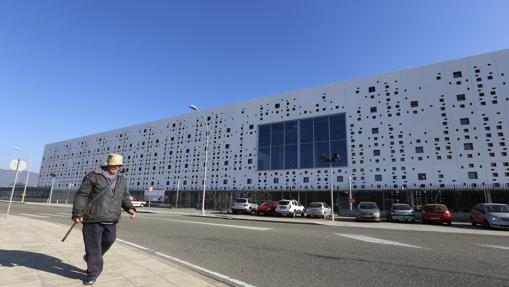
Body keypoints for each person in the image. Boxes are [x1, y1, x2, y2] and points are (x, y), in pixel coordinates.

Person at [72, 153, 136, 285]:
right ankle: (93, 273)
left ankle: (90, 257)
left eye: (119, 165)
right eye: (113, 165)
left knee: (110, 239)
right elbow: (82, 195)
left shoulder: (120, 180)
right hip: (92, 218)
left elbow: (124, 197)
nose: (116, 167)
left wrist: (130, 208)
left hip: (111, 218)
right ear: (108, 164)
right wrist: (78, 213)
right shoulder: (93, 176)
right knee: (94, 247)